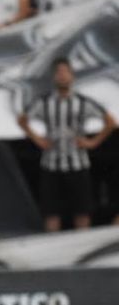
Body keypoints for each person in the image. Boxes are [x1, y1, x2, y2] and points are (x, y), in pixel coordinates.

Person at [18, 57, 115, 232]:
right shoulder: (45, 102)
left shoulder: (82, 102)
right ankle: (53, 254)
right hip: (51, 165)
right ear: (54, 77)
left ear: (72, 76)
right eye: (59, 72)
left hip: (78, 165)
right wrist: (37, 139)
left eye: (65, 72)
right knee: (51, 213)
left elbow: (110, 122)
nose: (62, 76)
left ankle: (83, 251)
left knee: (82, 212)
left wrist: (93, 142)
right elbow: (23, 120)